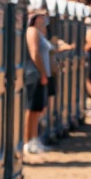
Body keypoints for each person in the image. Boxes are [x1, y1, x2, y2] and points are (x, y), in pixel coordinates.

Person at [24, 11, 53, 155]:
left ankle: (34, 140)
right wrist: (42, 73)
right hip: (33, 73)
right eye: (41, 15)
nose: (44, 18)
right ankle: (27, 141)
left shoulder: (39, 32)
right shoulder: (32, 31)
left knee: (36, 110)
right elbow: (34, 53)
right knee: (31, 109)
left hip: (38, 74)